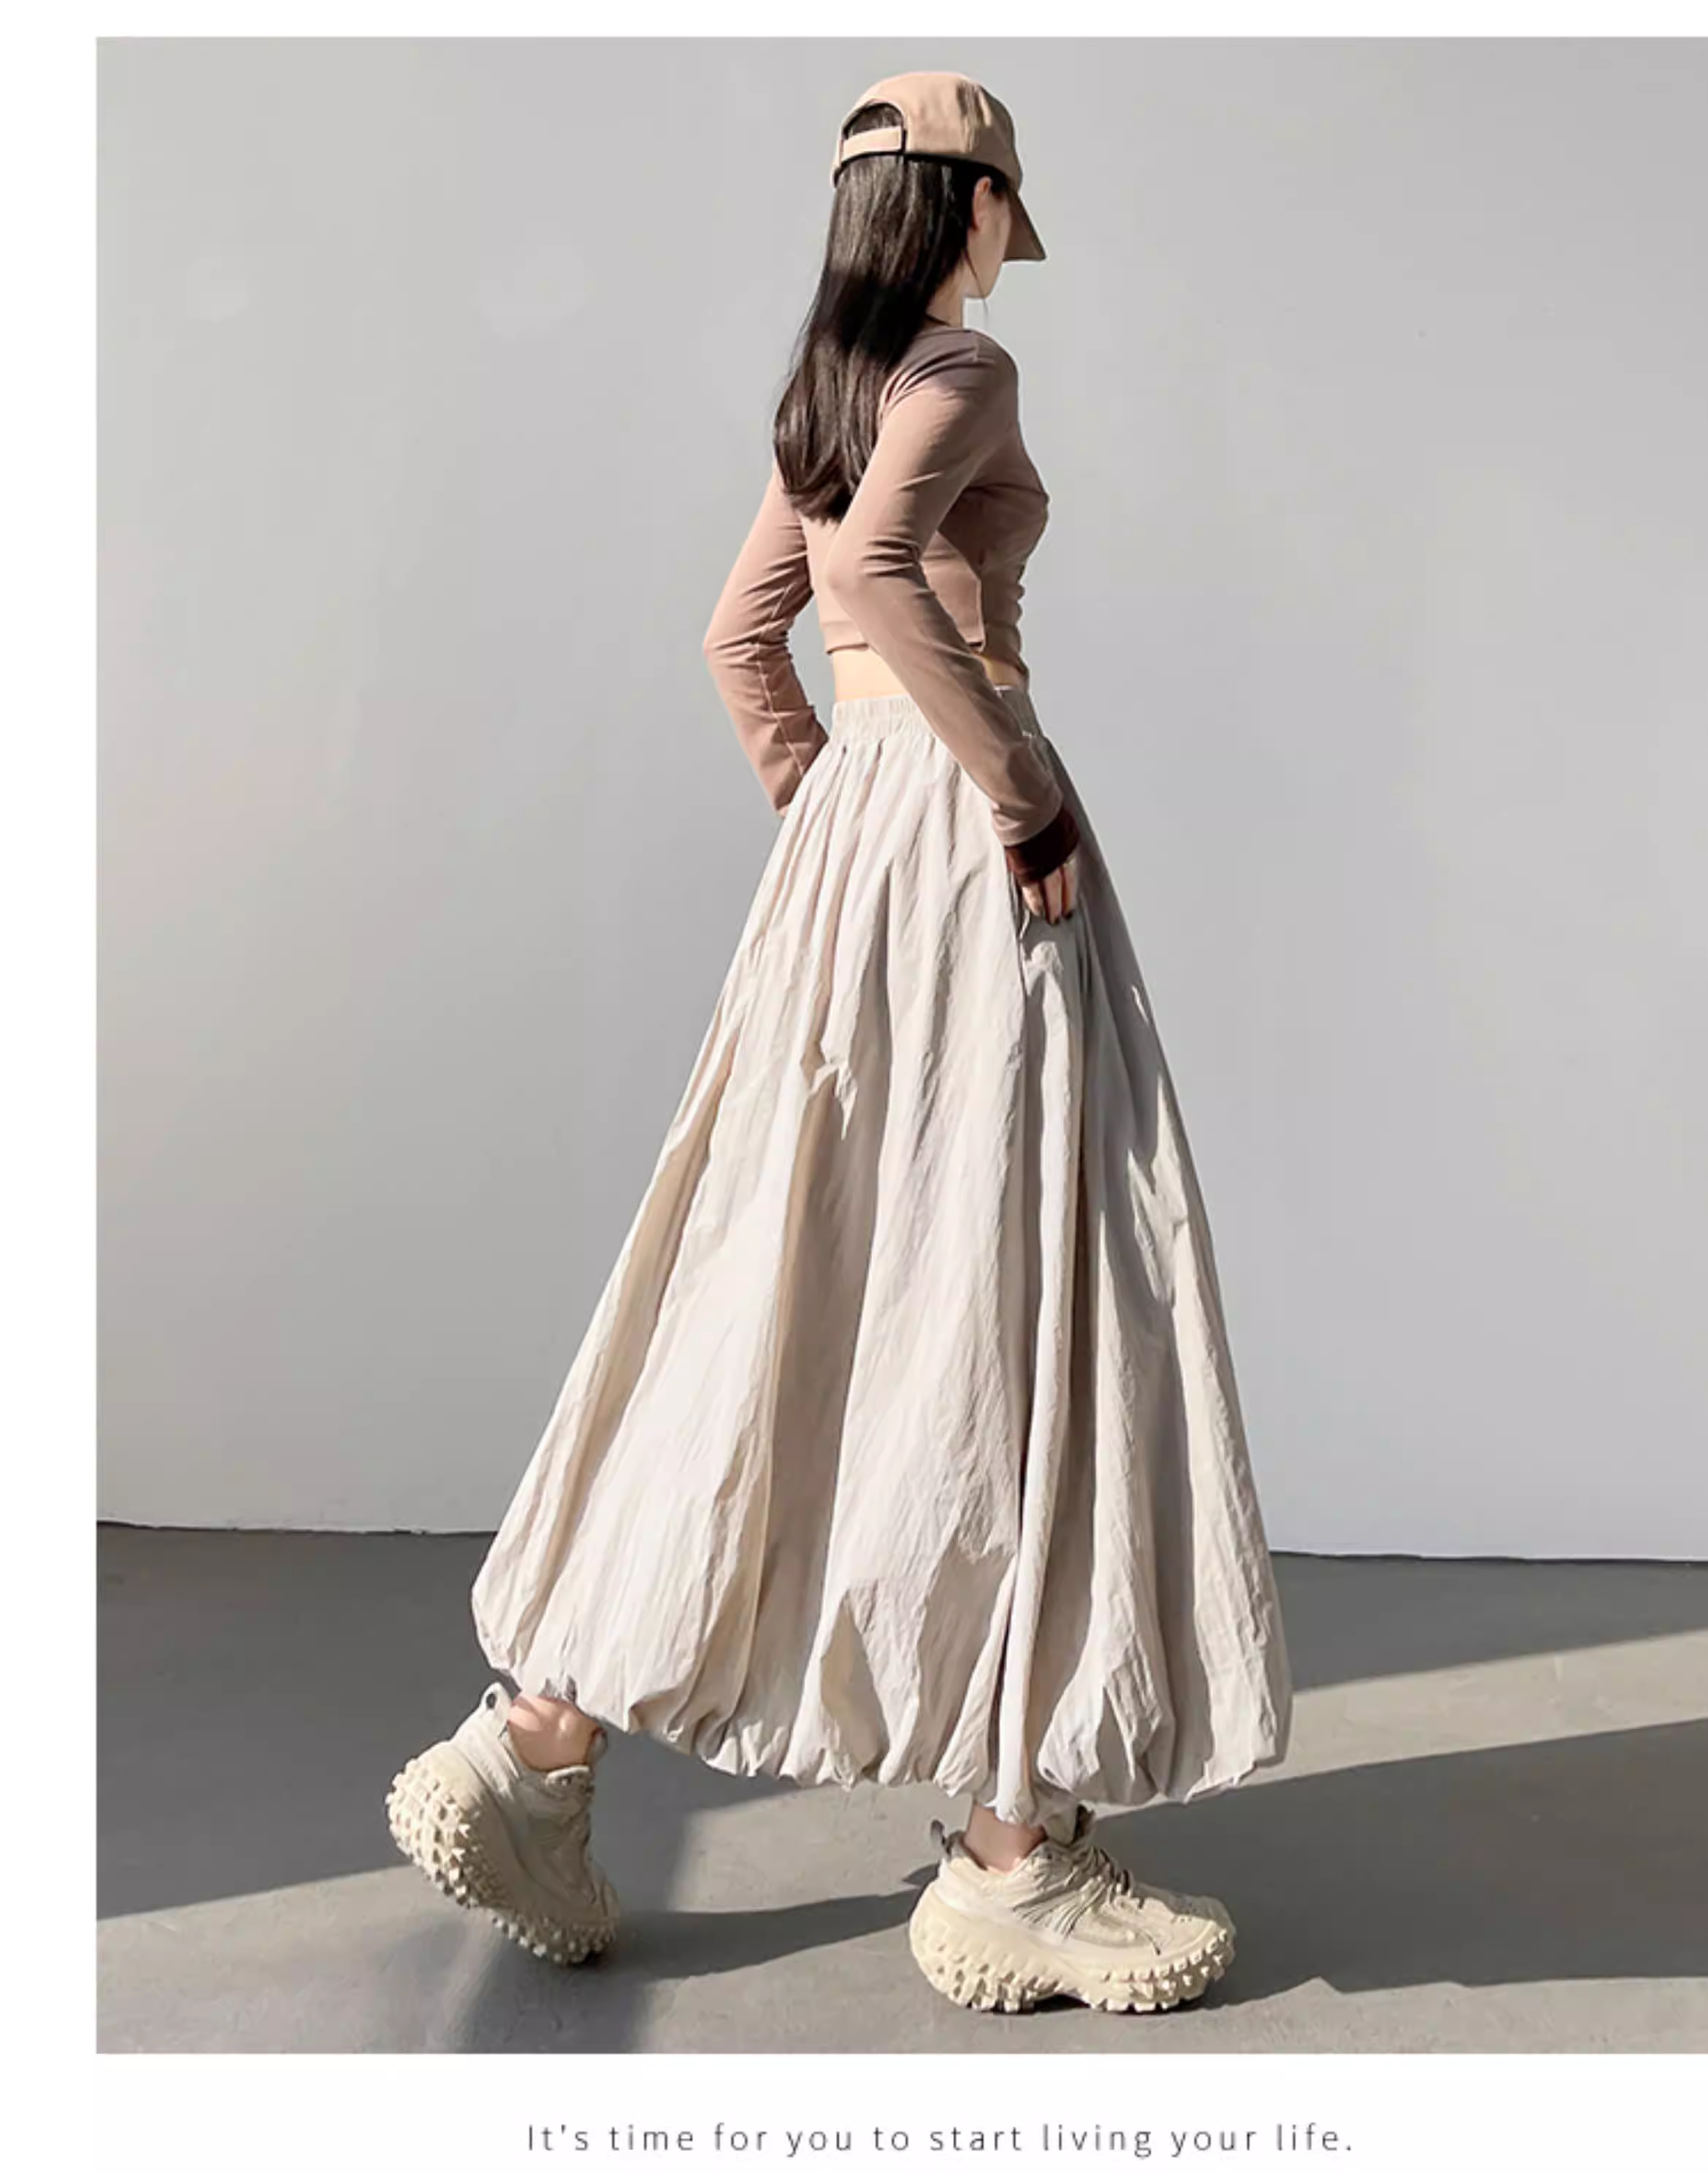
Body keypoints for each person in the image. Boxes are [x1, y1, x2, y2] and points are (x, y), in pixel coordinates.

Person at [386, 69, 1293, 2017]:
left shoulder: (828, 392)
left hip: (860, 861)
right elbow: (879, 575)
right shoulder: (959, 373)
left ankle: (537, 1744)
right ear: (967, 205)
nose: (1011, 239)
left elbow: (749, 633)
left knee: (774, 1282)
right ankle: (1010, 1861)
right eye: (1004, 205)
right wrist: (1017, 798)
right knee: (1017, 1291)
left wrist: (834, 800)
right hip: (965, 853)